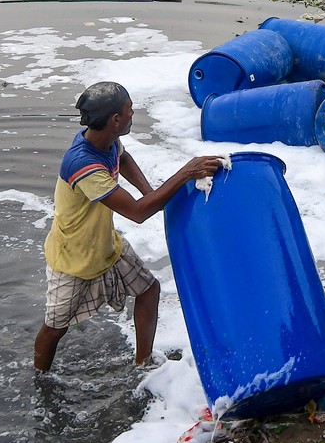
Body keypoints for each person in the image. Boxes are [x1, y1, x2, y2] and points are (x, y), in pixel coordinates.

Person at [34, 82, 223, 372]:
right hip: (73, 259)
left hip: (106, 246)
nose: (133, 113)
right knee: (55, 329)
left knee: (149, 290)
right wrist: (186, 173)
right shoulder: (84, 165)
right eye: (130, 110)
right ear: (115, 120)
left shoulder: (104, 141)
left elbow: (123, 157)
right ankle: (40, 379)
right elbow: (137, 213)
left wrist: (149, 191)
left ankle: (143, 363)